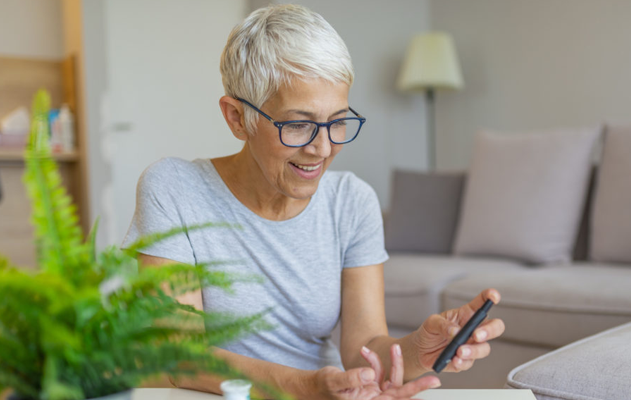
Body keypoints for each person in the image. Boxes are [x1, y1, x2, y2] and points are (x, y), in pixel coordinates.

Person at [122, 4, 505, 400]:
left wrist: (419, 352)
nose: (322, 148)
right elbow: (179, 358)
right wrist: (306, 386)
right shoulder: (174, 189)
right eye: (299, 124)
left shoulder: (351, 201)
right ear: (237, 118)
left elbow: (365, 351)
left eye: (338, 121)